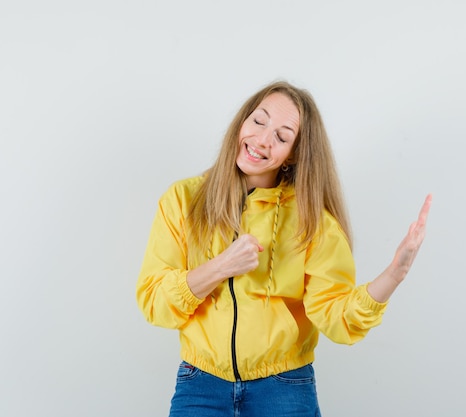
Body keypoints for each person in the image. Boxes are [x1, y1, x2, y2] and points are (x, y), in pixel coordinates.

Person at [136, 80, 432, 417]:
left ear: (293, 154)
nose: (262, 139)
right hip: (200, 385)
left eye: (282, 136)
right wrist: (220, 267)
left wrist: (395, 274)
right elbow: (154, 303)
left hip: (284, 388)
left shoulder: (312, 221)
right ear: (242, 122)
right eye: (259, 121)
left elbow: (339, 319)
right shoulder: (182, 201)